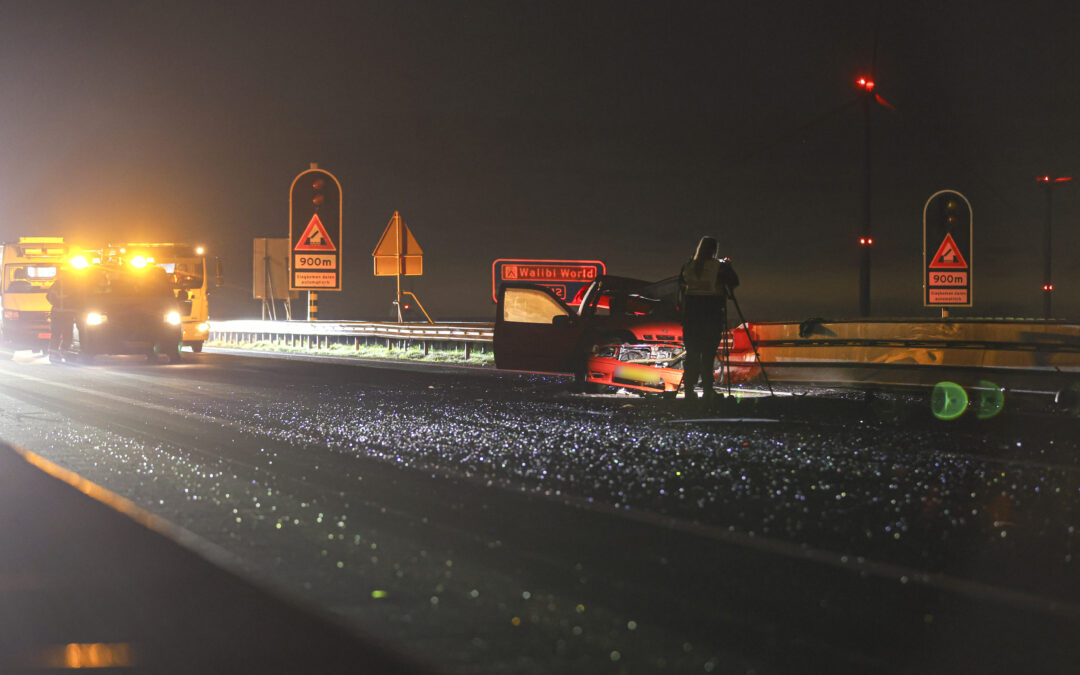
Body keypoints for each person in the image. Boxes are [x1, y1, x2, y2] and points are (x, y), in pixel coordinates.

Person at [678, 236, 739, 402]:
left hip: (691, 318)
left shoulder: (688, 266)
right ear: (714, 250)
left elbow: (681, 288)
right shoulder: (718, 267)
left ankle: (689, 391)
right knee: (707, 355)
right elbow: (734, 282)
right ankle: (707, 391)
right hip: (711, 316)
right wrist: (728, 266)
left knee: (692, 355)